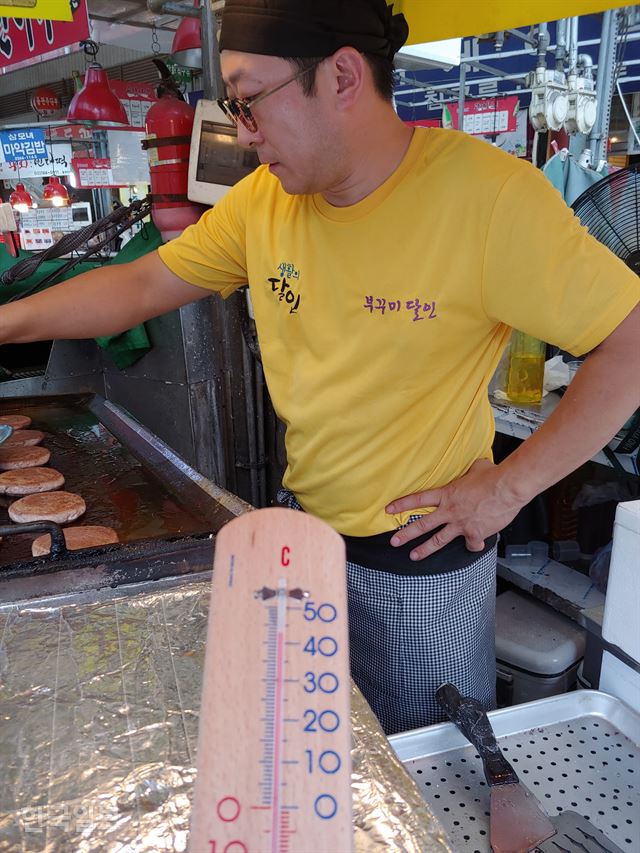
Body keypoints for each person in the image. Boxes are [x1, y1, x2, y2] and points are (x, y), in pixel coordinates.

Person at [1, 0, 638, 735]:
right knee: (324, 757)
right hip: (304, 544)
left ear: (339, 75)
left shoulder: (490, 199)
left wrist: (508, 487)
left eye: (249, 99)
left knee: (428, 776)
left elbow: (631, 343)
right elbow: (142, 285)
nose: (241, 132)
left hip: (420, 563)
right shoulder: (263, 204)